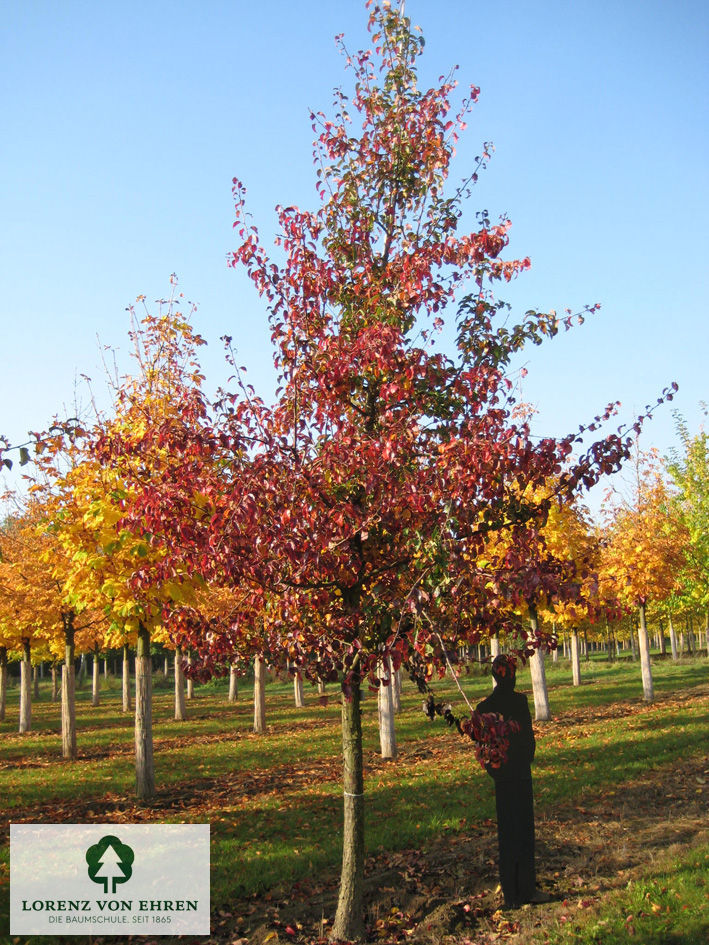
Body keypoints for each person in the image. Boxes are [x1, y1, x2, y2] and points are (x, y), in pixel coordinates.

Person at [476, 654, 549, 909]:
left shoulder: (485, 707)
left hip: (506, 777)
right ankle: (523, 889)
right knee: (522, 832)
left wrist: (496, 771)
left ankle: (513, 894)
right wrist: (522, 761)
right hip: (518, 775)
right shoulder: (516, 702)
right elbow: (528, 740)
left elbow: (483, 751)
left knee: (509, 833)